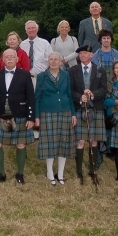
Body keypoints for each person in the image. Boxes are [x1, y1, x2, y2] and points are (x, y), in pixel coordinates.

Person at [0, 49, 36, 185]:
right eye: (6, 57)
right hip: (0, 115)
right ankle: (1, 173)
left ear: (17, 59)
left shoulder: (25, 75)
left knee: (20, 144)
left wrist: (31, 117)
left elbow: (31, 98)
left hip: (19, 114)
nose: (9, 59)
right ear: (2, 59)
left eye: (12, 57)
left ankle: (20, 174)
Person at [35, 52, 76, 186]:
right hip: (47, 112)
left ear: (60, 61)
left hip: (65, 111)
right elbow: (37, 97)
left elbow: (69, 95)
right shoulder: (42, 76)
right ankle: (50, 172)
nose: (53, 62)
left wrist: (73, 114)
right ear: (48, 62)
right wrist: (36, 116)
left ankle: (61, 173)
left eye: (56, 59)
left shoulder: (65, 75)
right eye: (51, 59)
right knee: (50, 144)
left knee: (63, 143)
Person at [69, 44, 107, 184]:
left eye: (86, 53)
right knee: (80, 140)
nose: (83, 55)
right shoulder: (73, 71)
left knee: (94, 140)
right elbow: (70, 89)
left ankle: (93, 169)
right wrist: (80, 97)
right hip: (79, 109)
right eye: (81, 54)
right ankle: (79, 171)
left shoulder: (100, 70)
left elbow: (104, 90)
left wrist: (93, 94)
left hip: (95, 108)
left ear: (91, 55)